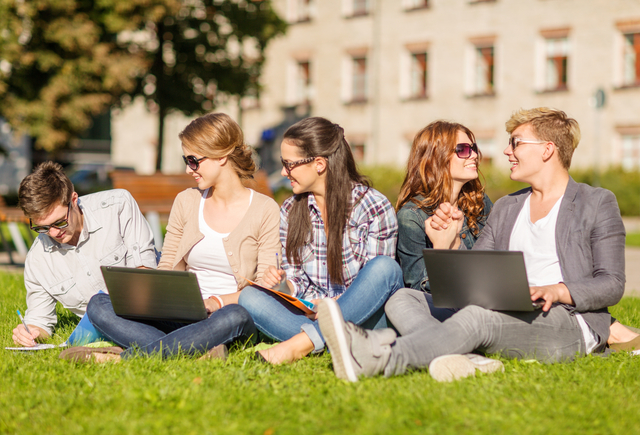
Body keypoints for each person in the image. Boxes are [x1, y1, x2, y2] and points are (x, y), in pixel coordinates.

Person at [319, 107, 628, 382]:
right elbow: (478, 274)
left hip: (564, 319)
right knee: (403, 298)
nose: (506, 151)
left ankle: (377, 357)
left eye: (516, 142)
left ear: (547, 150)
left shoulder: (597, 202)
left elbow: (611, 283)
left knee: (478, 319)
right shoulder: (508, 206)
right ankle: (467, 359)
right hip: (502, 308)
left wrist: (558, 290)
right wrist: (448, 244)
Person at [68, 113, 280, 362]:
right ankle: (197, 349)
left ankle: (124, 357)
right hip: (180, 314)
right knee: (99, 305)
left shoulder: (265, 209)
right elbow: (167, 266)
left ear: (222, 156)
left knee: (235, 317)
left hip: (227, 314)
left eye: (193, 161)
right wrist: (157, 299)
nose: (189, 169)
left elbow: (263, 290)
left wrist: (215, 302)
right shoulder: (186, 201)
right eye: (186, 160)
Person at [238, 117, 403, 364]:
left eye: (289, 164)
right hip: (312, 315)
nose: (284, 172)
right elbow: (297, 280)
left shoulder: (372, 206)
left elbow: (372, 288)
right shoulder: (291, 210)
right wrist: (284, 287)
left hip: (366, 317)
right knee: (248, 297)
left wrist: (331, 306)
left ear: (319, 164)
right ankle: (327, 341)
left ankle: (301, 344)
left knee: (385, 269)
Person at [12, 162, 157, 347]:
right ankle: (180, 346)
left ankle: (129, 350)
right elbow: (39, 320)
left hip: (148, 305)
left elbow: (145, 270)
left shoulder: (117, 205)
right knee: (97, 309)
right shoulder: (37, 260)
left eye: (59, 222)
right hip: (108, 325)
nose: (54, 233)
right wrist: (29, 332)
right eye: (42, 228)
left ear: (74, 200)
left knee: (98, 306)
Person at [396, 120, 492, 294]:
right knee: (401, 301)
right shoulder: (411, 216)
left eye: (474, 148)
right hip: (438, 303)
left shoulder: (480, 203)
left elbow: (493, 267)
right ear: (436, 158)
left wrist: (456, 243)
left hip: (481, 296)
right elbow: (418, 289)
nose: (474, 155)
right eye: (463, 149)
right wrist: (441, 246)